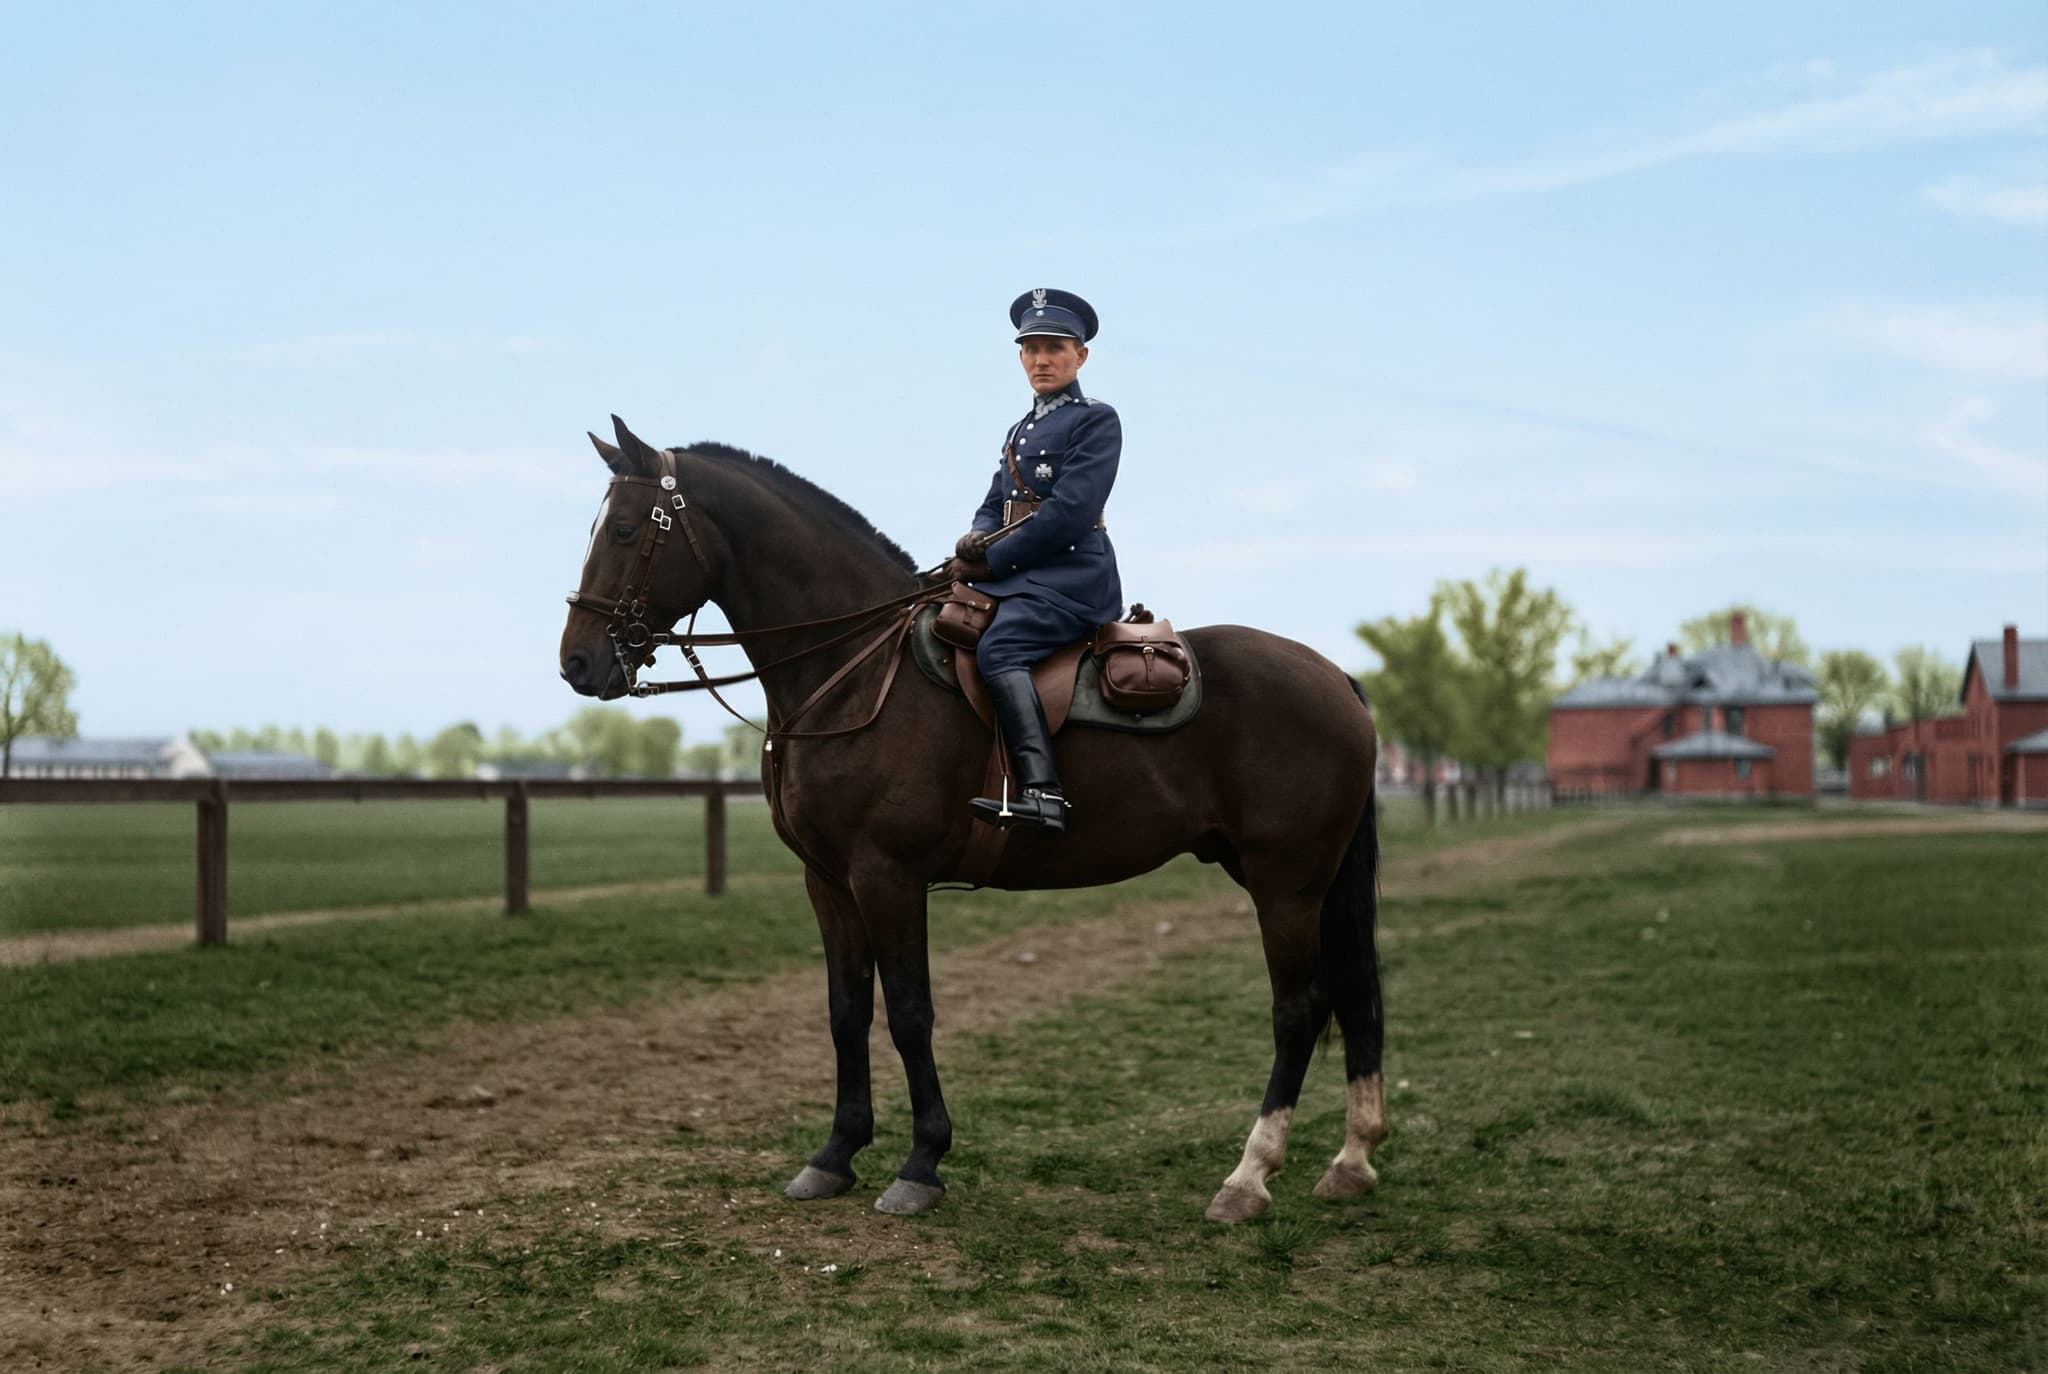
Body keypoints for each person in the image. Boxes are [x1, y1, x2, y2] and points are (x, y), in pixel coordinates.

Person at [947, 288, 1123, 834]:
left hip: (1073, 580)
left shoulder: (1096, 420)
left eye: (1054, 348)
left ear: (1080, 356)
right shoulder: (1019, 430)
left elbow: (1069, 515)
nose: (1041, 360)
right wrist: (976, 539)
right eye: (1031, 349)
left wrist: (993, 562)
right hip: (1021, 575)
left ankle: (1043, 792)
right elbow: (993, 502)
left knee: (1001, 647)